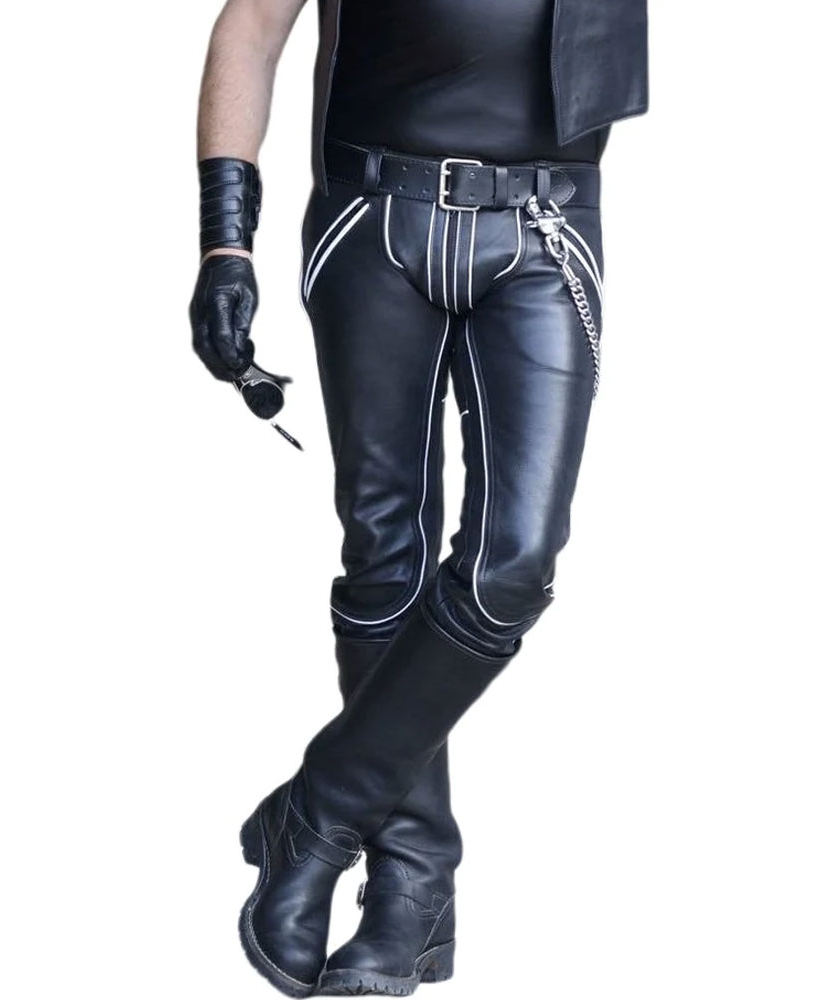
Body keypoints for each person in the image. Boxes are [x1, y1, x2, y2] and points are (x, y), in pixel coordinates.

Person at [189, 1, 648, 995]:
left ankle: (315, 815)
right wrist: (226, 243)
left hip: (546, 222)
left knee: (511, 567)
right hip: (371, 215)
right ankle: (412, 890)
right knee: (382, 557)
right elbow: (254, 23)